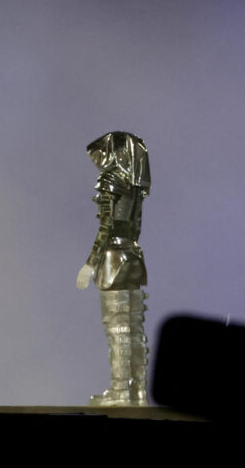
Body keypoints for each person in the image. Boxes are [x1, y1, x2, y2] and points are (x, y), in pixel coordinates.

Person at [75, 131, 150, 406]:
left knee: (117, 327)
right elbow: (137, 225)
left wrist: (89, 264)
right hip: (134, 256)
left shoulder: (111, 181)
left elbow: (105, 227)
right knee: (134, 327)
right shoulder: (136, 184)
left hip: (113, 260)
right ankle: (138, 391)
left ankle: (120, 391)